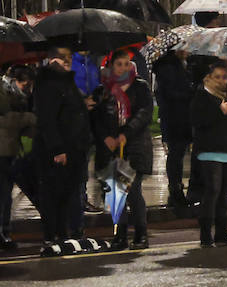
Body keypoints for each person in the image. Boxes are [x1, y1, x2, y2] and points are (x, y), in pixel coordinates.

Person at [93, 48, 156, 250]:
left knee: (133, 190)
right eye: (118, 64)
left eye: (126, 64)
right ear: (111, 67)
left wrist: (125, 134)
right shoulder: (103, 89)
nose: (122, 68)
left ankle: (140, 234)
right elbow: (96, 118)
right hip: (111, 148)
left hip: (135, 146)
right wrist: (106, 138)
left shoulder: (140, 86)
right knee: (115, 193)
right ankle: (119, 236)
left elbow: (144, 113)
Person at [33, 49, 94, 246]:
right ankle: (56, 234)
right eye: (64, 59)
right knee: (56, 194)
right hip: (61, 149)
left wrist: (83, 104)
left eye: (68, 59)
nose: (67, 62)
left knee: (68, 192)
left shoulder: (63, 81)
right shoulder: (50, 82)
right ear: (53, 60)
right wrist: (58, 149)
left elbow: (68, 108)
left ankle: (67, 232)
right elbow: (47, 118)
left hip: (74, 146)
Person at [190, 60, 227, 247]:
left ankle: (221, 232)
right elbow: (197, 120)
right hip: (209, 149)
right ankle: (205, 233)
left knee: (224, 193)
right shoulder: (202, 94)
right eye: (217, 77)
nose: (221, 81)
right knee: (212, 190)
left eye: (224, 77)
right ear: (209, 78)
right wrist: (217, 111)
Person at [152, 48, 196, 215]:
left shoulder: (181, 65)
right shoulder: (168, 67)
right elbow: (170, 93)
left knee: (179, 153)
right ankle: (175, 190)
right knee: (176, 154)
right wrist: (190, 92)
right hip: (175, 117)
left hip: (182, 116)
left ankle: (177, 189)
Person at [0, 66, 35, 249]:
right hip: (3, 150)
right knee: (3, 194)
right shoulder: (4, 92)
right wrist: (28, 118)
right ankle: (3, 233)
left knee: (6, 195)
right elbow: (6, 120)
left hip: (10, 150)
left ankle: (5, 231)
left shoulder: (15, 94)